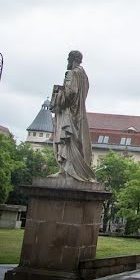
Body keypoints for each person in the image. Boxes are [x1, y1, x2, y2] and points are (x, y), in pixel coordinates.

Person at [49, 50, 96, 182]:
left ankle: (67, 172)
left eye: (68, 59)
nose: (67, 62)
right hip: (79, 114)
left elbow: (71, 93)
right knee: (75, 142)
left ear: (71, 59)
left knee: (67, 142)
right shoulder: (84, 76)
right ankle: (70, 171)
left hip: (70, 113)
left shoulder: (72, 73)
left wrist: (58, 95)